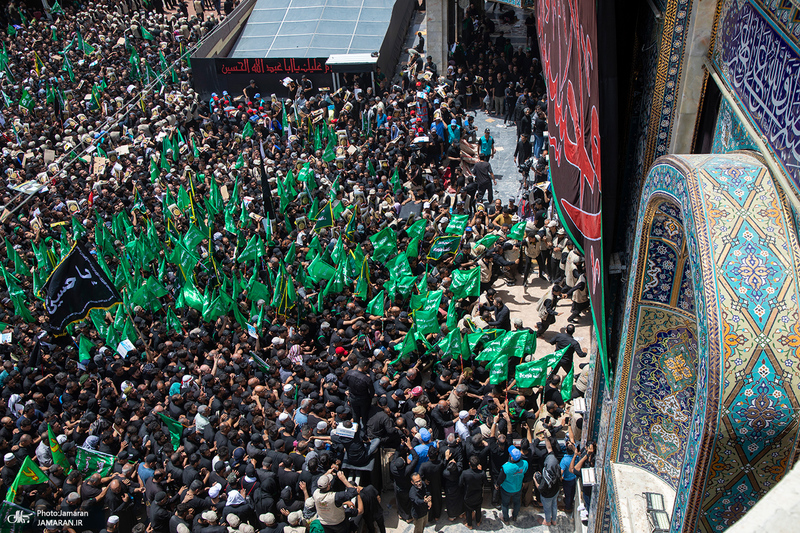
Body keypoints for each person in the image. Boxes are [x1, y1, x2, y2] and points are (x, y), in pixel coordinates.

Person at [533, 437, 562, 526]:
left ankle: (547, 521)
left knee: (547, 508)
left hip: (547, 495)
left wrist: (535, 479)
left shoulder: (546, 478)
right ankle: (554, 520)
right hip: (555, 491)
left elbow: (540, 488)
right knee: (554, 505)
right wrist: (546, 437)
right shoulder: (556, 467)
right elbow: (549, 449)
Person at [495, 445, 528, 524]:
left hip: (507, 489)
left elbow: (500, 478)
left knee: (505, 504)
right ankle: (515, 516)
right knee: (517, 502)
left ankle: (506, 519)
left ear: (512, 457)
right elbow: (525, 474)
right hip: (518, 487)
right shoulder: (525, 464)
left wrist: (497, 485)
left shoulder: (506, 467)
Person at [460, 456, 486, 529]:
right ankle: (478, 521)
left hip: (468, 495)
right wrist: (481, 471)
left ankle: (469, 524)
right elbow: (485, 482)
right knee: (478, 509)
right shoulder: (482, 473)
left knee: (468, 511)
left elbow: (460, 483)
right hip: (478, 495)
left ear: (469, 464)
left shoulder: (465, 473)